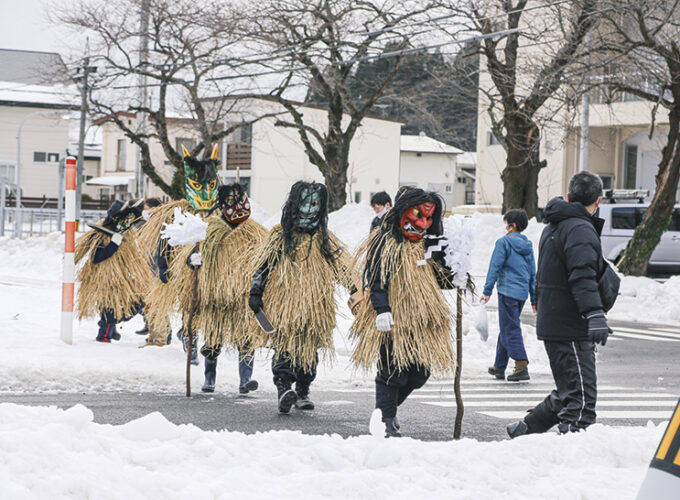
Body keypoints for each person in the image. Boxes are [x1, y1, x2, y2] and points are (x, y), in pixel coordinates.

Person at [507, 171, 616, 438]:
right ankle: (567, 458)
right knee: (580, 403)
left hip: (557, 320)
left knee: (569, 389)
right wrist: (594, 314)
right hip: (569, 324)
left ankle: (526, 430)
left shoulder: (555, 224)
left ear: (569, 196)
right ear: (598, 201)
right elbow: (582, 274)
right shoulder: (578, 228)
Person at [351, 187, 458, 438]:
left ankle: (386, 409)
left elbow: (441, 279)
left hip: (421, 318)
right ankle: (385, 419)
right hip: (393, 315)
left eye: (428, 218)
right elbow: (376, 277)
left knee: (420, 373)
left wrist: (456, 272)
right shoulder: (384, 240)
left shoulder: (428, 244)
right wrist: (381, 309)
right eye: (417, 215)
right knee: (392, 369)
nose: (422, 223)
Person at [249, 181, 355, 414]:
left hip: (315, 308)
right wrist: (255, 293)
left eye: (315, 204)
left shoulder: (325, 240)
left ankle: (303, 390)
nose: (308, 209)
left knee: (309, 352)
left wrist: (354, 289)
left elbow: (342, 269)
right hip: (285, 306)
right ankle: (284, 389)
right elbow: (263, 267)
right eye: (304, 203)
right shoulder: (279, 237)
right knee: (285, 347)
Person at [176, 183, 268, 394]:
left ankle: (246, 380)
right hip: (214, 295)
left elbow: (266, 260)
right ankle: (209, 379)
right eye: (229, 202)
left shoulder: (255, 232)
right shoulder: (210, 229)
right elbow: (189, 259)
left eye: (239, 200)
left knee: (246, 340)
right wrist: (193, 260)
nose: (235, 207)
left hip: (243, 296)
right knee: (213, 338)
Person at [139, 145, 219, 352]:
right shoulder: (177, 213)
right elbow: (165, 241)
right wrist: (163, 264)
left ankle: (200, 339)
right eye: (197, 184)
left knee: (206, 307)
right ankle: (188, 336)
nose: (203, 191)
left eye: (209, 185)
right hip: (185, 275)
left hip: (213, 276)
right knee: (188, 305)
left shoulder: (221, 216)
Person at [74, 199, 151, 342]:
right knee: (109, 309)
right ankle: (104, 336)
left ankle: (112, 325)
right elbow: (97, 257)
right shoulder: (100, 235)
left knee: (137, 301)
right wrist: (114, 244)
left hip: (122, 278)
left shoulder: (127, 234)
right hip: (106, 280)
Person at [481, 209, 536, 382]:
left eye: (506, 223)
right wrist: (534, 298)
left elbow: (494, 267)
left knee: (510, 328)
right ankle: (499, 365)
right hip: (521, 294)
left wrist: (487, 290)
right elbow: (533, 273)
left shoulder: (503, 242)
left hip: (507, 292)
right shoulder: (527, 245)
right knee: (507, 325)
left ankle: (521, 364)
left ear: (512, 225)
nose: (505, 227)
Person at [135, 197, 163, 336]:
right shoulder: (148, 223)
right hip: (149, 265)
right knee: (148, 299)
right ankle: (149, 325)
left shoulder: (159, 224)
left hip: (156, 267)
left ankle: (162, 333)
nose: (143, 212)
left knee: (157, 300)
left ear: (153, 209)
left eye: (146, 209)